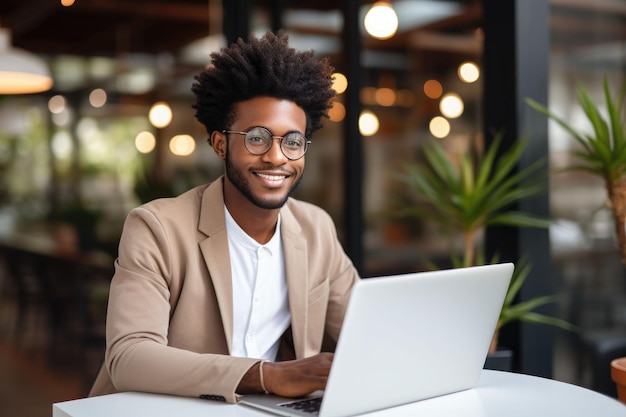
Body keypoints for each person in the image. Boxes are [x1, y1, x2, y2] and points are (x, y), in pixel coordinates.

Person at [88, 30, 360, 404]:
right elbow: (129, 356)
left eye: (292, 141)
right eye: (257, 138)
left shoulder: (316, 229)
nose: (277, 157)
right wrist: (266, 376)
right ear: (220, 144)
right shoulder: (157, 228)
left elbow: (364, 334)